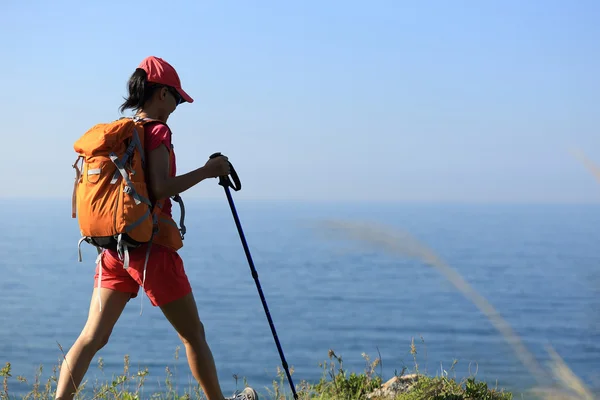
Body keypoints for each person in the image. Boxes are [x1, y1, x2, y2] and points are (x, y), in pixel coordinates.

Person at [56, 56, 259, 400]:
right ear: (161, 93)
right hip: (150, 249)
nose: (177, 105)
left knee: (92, 337)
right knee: (194, 335)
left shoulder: (124, 132)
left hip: (114, 248)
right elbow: (161, 187)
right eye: (176, 98)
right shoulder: (158, 131)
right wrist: (210, 170)